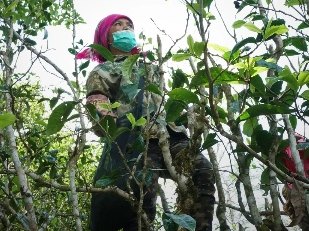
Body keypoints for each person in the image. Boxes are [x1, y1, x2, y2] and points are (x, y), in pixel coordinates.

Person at [77, 14, 216, 231]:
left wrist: (188, 118)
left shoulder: (149, 66)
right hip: (137, 139)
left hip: (169, 134)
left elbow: (162, 103)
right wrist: (109, 123)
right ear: (106, 36)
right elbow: (98, 103)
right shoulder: (102, 71)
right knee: (141, 196)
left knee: (203, 170)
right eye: (118, 24)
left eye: (129, 25)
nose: (126, 28)